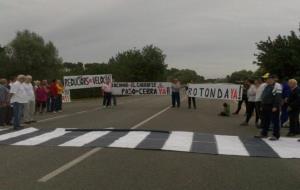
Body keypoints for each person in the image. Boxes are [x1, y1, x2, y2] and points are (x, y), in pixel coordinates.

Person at [255, 74, 282, 140]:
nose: (268, 80)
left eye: (269, 79)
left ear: (273, 79)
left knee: (275, 121)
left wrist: (275, 106)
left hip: (272, 106)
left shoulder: (277, 86)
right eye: (267, 79)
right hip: (265, 105)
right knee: (265, 120)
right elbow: (263, 96)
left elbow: (277, 97)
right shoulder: (267, 86)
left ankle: (276, 135)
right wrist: (262, 105)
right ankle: (264, 133)